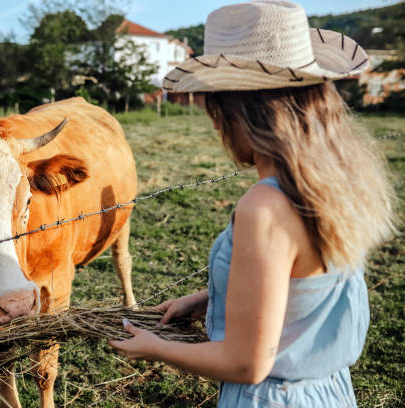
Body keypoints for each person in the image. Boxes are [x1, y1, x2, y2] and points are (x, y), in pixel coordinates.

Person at [108, 1, 396, 407]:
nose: (213, 122)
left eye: (215, 106)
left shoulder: (264, 206)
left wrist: (153, 347)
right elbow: (303, 282)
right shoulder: (337, 183)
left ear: (242, 109)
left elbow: (246, 364)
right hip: (328, 392)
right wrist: (209, 298)